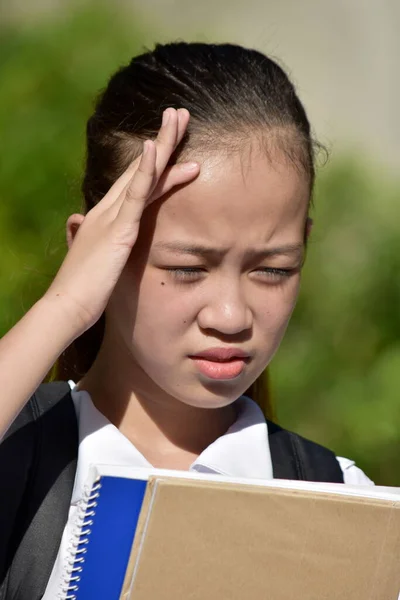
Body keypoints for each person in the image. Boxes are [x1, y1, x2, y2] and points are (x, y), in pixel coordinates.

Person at [0, 42, 373, 598]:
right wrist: (65, 306)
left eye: (273, 270)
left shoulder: (341, 500)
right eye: (187, 267)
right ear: (97, 256)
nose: (230, 315)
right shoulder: (20, 460)